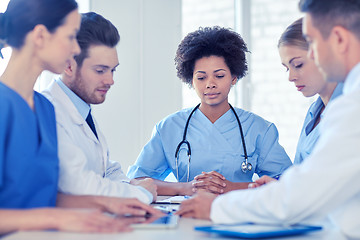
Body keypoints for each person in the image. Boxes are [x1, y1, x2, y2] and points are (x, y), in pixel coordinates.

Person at [177, 0, 360, 238]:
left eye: (312, 44)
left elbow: (300, 197)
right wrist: (282, 190)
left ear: (339, 39)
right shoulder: (330, 108)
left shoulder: (352, 108)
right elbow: (313, 186)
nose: (312, 54)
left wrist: (216, 207)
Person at [0, 0, 159, 235]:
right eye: (71, 36)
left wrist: (107, 204)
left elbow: (47, 195)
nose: (75, 49)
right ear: (41, 36)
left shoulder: (44, 108)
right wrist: (55, 218)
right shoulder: (4, 104)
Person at [127, 26, 292, 196]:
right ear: (191, 79)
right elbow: (136, 180)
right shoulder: (169, 127)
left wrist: (230, 187)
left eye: (219, 76)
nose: (210, 84)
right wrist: (186, 188)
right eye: (201, 77)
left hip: (240, 214)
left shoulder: (259, 129)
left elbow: (288, 183)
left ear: (234, 77)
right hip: (186, 214)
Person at [41, 12, 157, 204]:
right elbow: (77, 185)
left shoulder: (81, 109)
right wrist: (141, 194)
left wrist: (132, 187)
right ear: (69, 66)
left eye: (113, 70)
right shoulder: (49, 111)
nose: (110, 80)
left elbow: (107, 169)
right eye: (100, 70)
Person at [249, 18, 343, 188]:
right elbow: (304, 179)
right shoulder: (314, 112)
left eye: (298, 65)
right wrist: (278, 187)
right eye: (287, 68)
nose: (291, 77)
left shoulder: (349, 109)